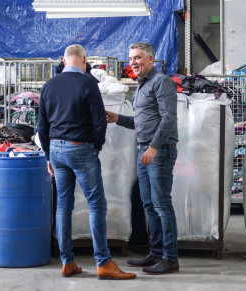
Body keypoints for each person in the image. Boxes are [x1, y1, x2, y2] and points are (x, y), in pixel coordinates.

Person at [37, 44, 136, 280]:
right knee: (96, 205)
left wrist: (50, 155)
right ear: (83, 61)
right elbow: (99, 122)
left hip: (57, 150)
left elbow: (41, 127)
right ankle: (103, 262)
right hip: (80, 148)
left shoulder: (49, 86)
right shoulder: (88, 83)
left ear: (64, 60)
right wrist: (96, 147)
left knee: (63, 206)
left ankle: (67, 262)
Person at [105, 42, 179, 274]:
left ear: (150, 59)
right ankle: (156, 253)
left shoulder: (161, 82)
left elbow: (168, 119)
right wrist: (118, 118)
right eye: (130, 59)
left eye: (137, 58)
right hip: (144, 151)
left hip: (159, 151)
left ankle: (170, 258)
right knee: (150, 204)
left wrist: (154, 148)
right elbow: (141, 122)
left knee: (162, 204)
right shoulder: (141, 87)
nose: (133, 62)